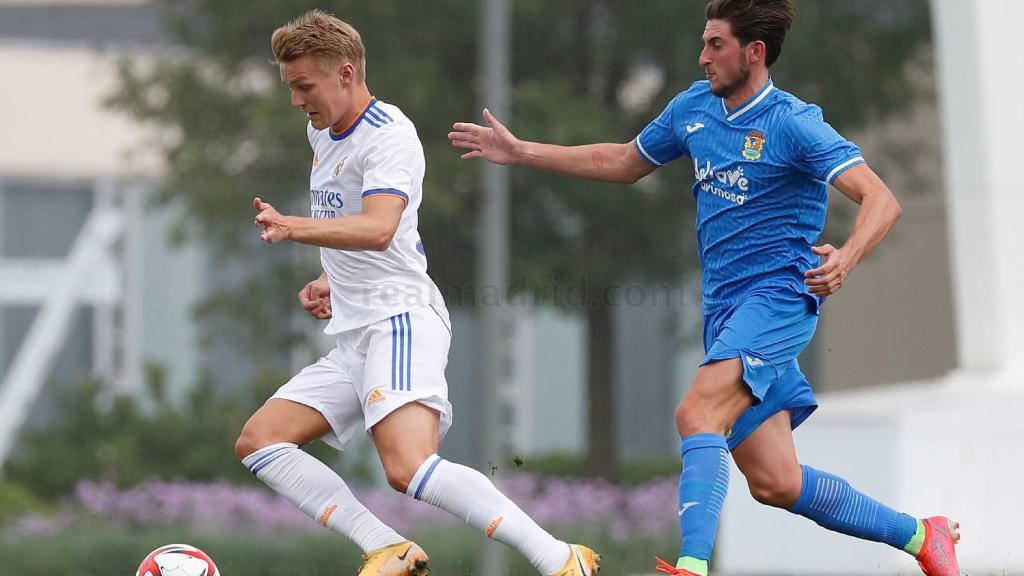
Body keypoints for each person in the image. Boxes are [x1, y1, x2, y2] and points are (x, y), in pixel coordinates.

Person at [448, 1, 963, 575]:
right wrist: (522, 152)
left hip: (779, 300)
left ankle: (692, 566)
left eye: (716, 44)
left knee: (697, 413)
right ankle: (923, 536)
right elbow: (623, 161)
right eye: (704, 42)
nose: (703, 56)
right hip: (725, 312)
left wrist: (846, 257)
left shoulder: (793, 122)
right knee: (776, 482)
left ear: (754, 52)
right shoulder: (693, 107)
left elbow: (880, 200)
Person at [235, 10, 600, 576]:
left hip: (400, 321)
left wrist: (294, 227)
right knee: (262, 441)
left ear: (347, 72)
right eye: (290, 86)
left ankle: (559, 557)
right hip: (357, 332)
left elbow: (380, 227)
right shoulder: (320, 131)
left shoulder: (389, 135)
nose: (296, 100)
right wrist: (331, 277)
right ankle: (387, 546)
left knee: (408, 467)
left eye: (304, 85)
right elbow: (370, 229)